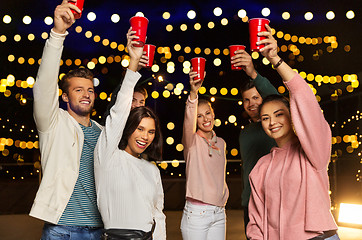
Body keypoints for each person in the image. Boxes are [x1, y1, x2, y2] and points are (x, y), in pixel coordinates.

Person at [246, 24, 339, 240]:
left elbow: (304, 96)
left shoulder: (313, 151)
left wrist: (275, 60)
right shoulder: (261, 167)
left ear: (292, 116)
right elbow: (256, 221)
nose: (272, 122)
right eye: (266, 118)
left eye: (279, 114)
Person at [30, 0, 103, 239]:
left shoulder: (103, 132)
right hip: (61, 230)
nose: (86, 94)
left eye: (90, 90)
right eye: (78, 89)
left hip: (99, 228)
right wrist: (58, 33)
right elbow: (44, 86)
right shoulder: (53, 123)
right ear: (64, 96)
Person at [94, 28, 166, 240]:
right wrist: (133, 63)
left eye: (151, 131)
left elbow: (158, 216)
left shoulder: (151, 170)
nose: (145, 136)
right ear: (128, 128)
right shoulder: (108, 156)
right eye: (140, 129)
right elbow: (118, 112)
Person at [230, 48, 278, 236]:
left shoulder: (276, 127)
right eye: (246, 100)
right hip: (250, 203)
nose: (252, 104)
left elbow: (278, 100)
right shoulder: (245, 133)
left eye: (256, 98)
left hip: (275, 201)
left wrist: (252, 72)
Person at [180, 69, 229, 240]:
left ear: (213, 113)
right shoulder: (191, 142)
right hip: (197, 214)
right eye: (199, 116)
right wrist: (194, 92)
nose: (205, 119)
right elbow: (188, 120)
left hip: (219, 212)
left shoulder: (221, 143)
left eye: (207, 113)